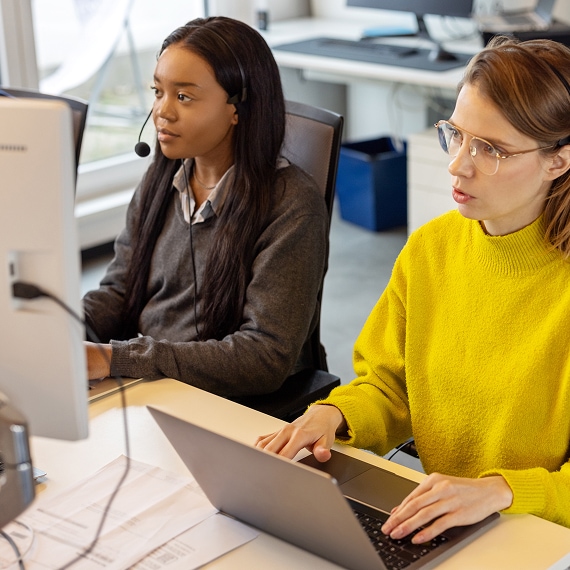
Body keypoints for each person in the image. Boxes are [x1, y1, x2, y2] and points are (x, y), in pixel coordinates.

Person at [257, 35, 570, 543]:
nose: (458, 165)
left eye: (489, 149)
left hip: (539, 537)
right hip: (440, 519)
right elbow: (390, 385)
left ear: (558, 161)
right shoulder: (430, 249)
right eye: (457, 135)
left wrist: (501, 491)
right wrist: (334, 413)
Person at [82, 17, 329, 398]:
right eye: (158, 91)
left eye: (183, 96)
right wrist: (61, 326)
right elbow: (119, 289)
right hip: (150, 382)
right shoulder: (164, 176)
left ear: (238, 108)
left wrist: (117, 359)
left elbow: (263, 356)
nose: (162, 112)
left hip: (219, 400)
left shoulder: (291, 205)